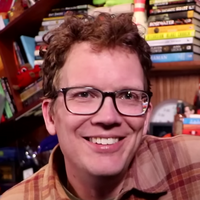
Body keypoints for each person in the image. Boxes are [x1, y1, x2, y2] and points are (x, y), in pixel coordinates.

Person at [1, 13, 200, 200]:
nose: (108, 117)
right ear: (50, 116)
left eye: (127, 95)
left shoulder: (195, 167)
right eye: (84, 94)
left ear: (147, 115)